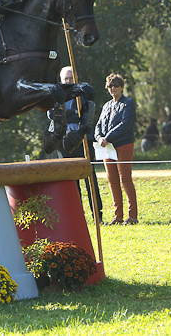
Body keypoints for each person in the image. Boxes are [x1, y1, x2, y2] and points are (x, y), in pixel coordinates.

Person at [57, 66, 103, 221]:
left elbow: (87, 115)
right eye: (66, 79)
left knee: (91, 180)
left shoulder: (84, 93)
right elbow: (53, 115)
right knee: (71, 183)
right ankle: (76, 217)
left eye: (71, 78)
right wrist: (73, 114)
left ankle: (98, 216)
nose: (69, 81)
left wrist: (72, 115)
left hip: (84, 141)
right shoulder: (56, 95)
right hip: (65, 143)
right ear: (61, 81)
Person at [94, 73, 138, 225]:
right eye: (110, 86)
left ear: (121, 87)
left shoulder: (128, 103)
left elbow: (125, 125)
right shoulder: (106, 105)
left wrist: (108, 137)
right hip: (107, 147)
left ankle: (132, 216)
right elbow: (98, 125)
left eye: (116, 85)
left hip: (123, 144)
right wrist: (99, 137)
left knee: (125, 179)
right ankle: (117, 216)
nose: (113, 88)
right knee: (112, 180)